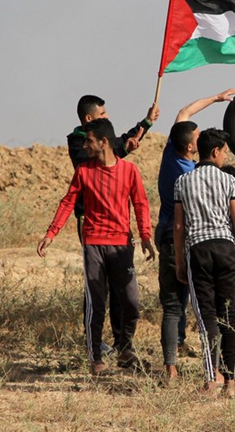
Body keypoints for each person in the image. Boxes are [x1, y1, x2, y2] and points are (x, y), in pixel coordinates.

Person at [156, 89, 235, 381]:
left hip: (186, 248)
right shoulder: (222, 179)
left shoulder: (179, 171)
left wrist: (217, 98)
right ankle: (226, 377)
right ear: (212, 151)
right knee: (227, 315)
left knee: (184, 311)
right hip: (214, 248)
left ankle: (176, 370)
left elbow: (183, 114)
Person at [38, 118, 155, 375]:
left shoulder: (129, 170)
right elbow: (68, 202)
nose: (84, 146)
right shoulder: (83, 171)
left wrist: (145, 235)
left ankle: (125, 348)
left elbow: (140, 203)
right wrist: (51, 233)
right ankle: (96, 358)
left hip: (122, 245)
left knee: (131, 302)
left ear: (103, 142)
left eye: (88, 141)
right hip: (93, 243)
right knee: (96, 303)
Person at [68, 95, 158, 354]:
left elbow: (115, 145)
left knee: (122, 287)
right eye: (103, 114)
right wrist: (124, 149)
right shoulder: (78, 142)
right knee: (97, 285)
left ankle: (121, 342)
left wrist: (145, 124)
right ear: (89, 119)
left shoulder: (122, 162)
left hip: (118, 231)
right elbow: (101, 155)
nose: (107, 116)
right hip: (92, 225)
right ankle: (94, 342)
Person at [173, 128, 235, 398]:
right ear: (215, 151)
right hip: (225, 250)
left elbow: (178, 227)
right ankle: (230, 382)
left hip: (198, 251)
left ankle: (211, 381)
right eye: (224, 152)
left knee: (207, 317)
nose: (225, 157)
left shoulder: (182, 182)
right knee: (230, 317)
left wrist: (179, 262)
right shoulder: (228, 181)